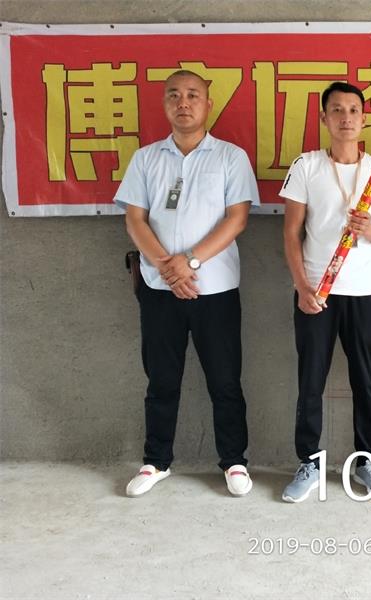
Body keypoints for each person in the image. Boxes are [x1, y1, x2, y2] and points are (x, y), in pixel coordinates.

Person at [115, 70, 260, 497]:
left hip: (215, 289)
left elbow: (237, 218)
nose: (183, 102)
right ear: (164, 104)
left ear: (208, 104)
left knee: (225, 381)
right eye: (174, 95)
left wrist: (190, 261)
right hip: (159, 290)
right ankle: (155, 461)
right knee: (161, 380)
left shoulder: (230, 157)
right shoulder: (146, 158)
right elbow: (135, 219)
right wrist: (167, 268)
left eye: (193, 95)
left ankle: (234, 461)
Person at [280, 82, 371, 503]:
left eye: (353, 110)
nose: (345, 117)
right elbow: (291, 233)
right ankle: (309, 462)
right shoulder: (307, 166)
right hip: (317, 292)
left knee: (365, 381)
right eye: (336, 110)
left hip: (366, 292)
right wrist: (302, 287)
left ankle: (367, 461)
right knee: (310, 380)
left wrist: (368, 230)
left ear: (364, 119)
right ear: (324, 118)